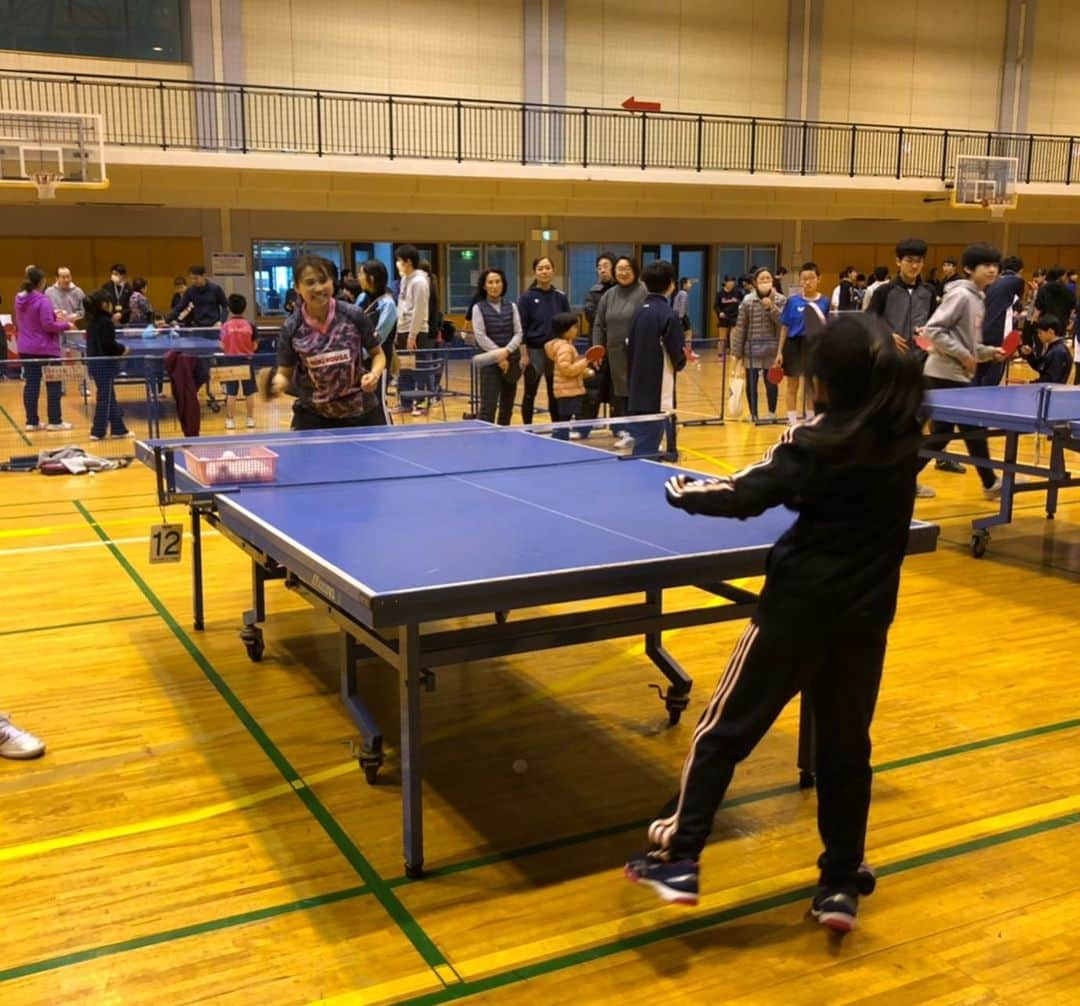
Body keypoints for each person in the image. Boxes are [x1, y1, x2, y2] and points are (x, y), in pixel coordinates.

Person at [625, 312, 926, 933]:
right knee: (845, 751)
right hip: (864, 624)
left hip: (792, 614)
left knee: (722, 732)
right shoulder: (902, 438)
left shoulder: (813, 445)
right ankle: (841, 882)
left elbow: (741, 494)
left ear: (824, 382)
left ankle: (678, 853)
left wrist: (679, 488)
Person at [914, 243, 1008, 501]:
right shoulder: (962, 296)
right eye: (985, 265)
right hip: (942, 374)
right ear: (968, 269)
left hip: (954, 374)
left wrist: (988, 352)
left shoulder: (978, 298)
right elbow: (934, 331)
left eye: (995, 266)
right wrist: (965, 355)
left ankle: (904, 478)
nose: (992, 270)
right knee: (973, 428)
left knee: (941, 434)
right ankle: (990, 483)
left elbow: (965, 341)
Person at [271, 255, 387, 429]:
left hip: (361, 412)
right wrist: (278, 382)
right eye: (310, 283)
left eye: (323, 280)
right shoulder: (292, 327)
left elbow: (378, 354)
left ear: (332, 282)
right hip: (313, 415)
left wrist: (374, 374)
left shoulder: (353, 315)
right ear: (297, 287)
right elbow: (284, 372)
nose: (318, 288)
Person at [625, 259, 686, 455]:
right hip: (658, 390)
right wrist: (681, 360)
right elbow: (677, 353)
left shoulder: (638, 312)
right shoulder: (668, 314)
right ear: (671, 283)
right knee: (648, 444)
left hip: (636, 385)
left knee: (643, 438)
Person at [592, 255, 647, 447]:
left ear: (635, 270)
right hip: (615, 353)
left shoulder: (644, 291)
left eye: (627, 269)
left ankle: (642, 432)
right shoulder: (609, 295)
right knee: (621, 393)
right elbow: (599, 324)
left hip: (639, 354)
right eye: (619, 269)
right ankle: (628, 431)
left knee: (637, 393)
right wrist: (598, 348)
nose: (623, 273)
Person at [15, 266, 76, 431]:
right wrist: (66, 325)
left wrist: (53, 314)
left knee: (31, 384)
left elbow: (33, 319)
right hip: (45, 349)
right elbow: (48, 325)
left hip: (26, 348)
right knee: (54, 384)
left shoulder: (19, 299)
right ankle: (55, 421)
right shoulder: (43, 300)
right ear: (41, 282)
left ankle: (32, 422)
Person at [517, 256, 571, 425]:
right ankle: (527, 428)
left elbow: (568, 326)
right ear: (534, 272)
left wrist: (567, 349)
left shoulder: (560, 297)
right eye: (540, 268)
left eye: (547, 268)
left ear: (553, 271)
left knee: (554, 391)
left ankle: (557, 427)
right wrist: (524, 355)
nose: (544, 271)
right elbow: (521, 329)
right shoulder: (526, 298)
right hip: (534, 352)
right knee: (529, 392)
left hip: (555, 352)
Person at [777, 262, 830, 424]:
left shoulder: (825, 302)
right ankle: (792, 420)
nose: (807, 282)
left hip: (814, 345)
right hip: (794, 345)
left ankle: (810, 418)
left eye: (811, 278)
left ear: (818, 279)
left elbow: (829, 328)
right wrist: (779, 351)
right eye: (804, 279)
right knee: (792, 385)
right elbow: (785, 327)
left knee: (811, 386)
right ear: (800, 280)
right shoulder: (792, 302)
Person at [731, 267, 785, 423]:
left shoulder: (781, 300)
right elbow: (741, 328)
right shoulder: (747, 301)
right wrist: (737, 354)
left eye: (768, 278)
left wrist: (771, 308)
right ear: (754, 283)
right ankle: (753, 413)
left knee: (771, 383)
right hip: (751, 350)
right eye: (762, 279)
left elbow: (784, 324)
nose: (766, 281)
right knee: (751, 383)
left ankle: (771, 413)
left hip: (772, 350)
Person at [472, 268, 523, 426]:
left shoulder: (512, 306)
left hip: (511, 361)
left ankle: (504, 441)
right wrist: (499, 356)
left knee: (507, 406)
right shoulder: (478, 308)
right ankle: (485, 444)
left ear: (503, 284)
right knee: (488, 406)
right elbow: (480, 336)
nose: (494, 285)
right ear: (484, 286)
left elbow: (519, 333)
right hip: (490, 363)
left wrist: (506, 351)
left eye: (497, 281)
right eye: (490, 282)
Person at [84, 290, 133, 441]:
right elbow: (108, 345)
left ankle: (118, 429)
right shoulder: (106, 322)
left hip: (95, 363)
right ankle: (97, 431)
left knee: (109, 397)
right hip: (104, 364)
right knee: (105, 398)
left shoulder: (92, 320)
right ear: (104, 304)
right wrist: (122, 349)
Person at [357, 258, 398, 420]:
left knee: (377, 403)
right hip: (359, 362)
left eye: (361, 274)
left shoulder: (388, 304)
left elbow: (379, 337)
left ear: (371, 278)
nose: (358, 277)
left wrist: (358, 355)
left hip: (378, 361)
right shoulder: (362, 298)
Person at [393, 244, 431, 417]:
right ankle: (406, 403)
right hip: (403, 329)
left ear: (408, 262)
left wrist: (412, 335)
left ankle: (423, 403)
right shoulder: (404, 280)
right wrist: (398, 331)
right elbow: (401, 307)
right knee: (405, 368)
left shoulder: (420, 282)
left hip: (417, 332)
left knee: (420, 369)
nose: (397, 264)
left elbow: (419, 310)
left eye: (399, 260)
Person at [977, 255, 1026, 388]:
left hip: (979, 334)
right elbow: (1018, 302)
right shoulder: (1016, 281)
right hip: (998, 337)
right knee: (992, 381)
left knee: (977, 376)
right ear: (1020, 271)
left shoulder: (989, 282)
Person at [544, 312, 592, 439]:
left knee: (564, 420)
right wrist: (586, 361)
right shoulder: (564, 348)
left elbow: (570, 367)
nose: (577, 329)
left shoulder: (562, 345)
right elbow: (566, 370)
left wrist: (585, 372)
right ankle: (562, 438)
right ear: (565, 330)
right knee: (579, 416)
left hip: (566, 389)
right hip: (569, 391)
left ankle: (560, 438)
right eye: (574, 327)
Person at [220, 293, 258, 430]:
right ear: (245, 308)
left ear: (229, 309)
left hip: (230, 362)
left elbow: (222, 345)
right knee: (249, 392)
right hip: (247, 362)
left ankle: (230, 421)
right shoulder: (250, 325)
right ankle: (250, 419)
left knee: (231, 393)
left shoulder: (225, 326)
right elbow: (255, 346)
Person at [1019, 315, 1073, 384]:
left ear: (1050, 331)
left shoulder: (1059, 352)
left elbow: (1051, 379)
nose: (1038, 335)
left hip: (1054, 393)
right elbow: (1040, 366)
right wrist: (1030, 355)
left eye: (1040, 332)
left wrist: (1031, 383)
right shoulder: (1053, 348)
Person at [583, 252, 616, 330]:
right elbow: (590, 316)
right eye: (599, 268)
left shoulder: (622, 289)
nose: (602, 271)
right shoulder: (593, 292)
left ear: (615, 267)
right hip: (598, 336)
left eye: (605, 266)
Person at [672, 276, 699, 362]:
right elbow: (682, 306)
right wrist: (681, 318)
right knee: (688, 334)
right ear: (684, 284)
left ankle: (686, 352)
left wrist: (694, 281)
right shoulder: (684, 294)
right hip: (682, 316)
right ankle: (689, 353)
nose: (690, 285)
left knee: (685, 334)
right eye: (689, 283)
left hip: (678, 315)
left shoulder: (679, 293)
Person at [714, 275, 742, 353]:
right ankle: (720, 353)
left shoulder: (737, 292)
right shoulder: (720, 293)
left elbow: (743, 301)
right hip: (724, 317)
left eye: (733, 282)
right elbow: (716, 306)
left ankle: (734, 351)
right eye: (729, 282)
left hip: (734, 316)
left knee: (734, 336)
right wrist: (720, 312)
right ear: (725, 282)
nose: (731, 284)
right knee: (722, 337)